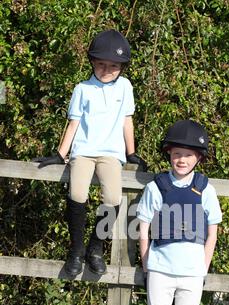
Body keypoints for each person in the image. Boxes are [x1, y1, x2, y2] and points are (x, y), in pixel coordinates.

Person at [33, 29, 145, 276]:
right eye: (101, 64)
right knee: (77, 194)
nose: (107, 70)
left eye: (114, 66)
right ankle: (76, 250)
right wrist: (61, 153)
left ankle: (95, 247)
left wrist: (132, 152)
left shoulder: (125, 87)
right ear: (93, 63)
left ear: (122, 67)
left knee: (113, 199)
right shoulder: (82, 88)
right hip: (83, 151)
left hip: (111, 152)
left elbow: (128, 121)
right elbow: (73, 124)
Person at [136, 120, 222, 305]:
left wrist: (203, 266)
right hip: (161, 269)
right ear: (169, 154)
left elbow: (212, 231)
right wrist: (148, 263)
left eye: (188, 154)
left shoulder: (205, 189)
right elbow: (143, 227)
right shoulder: (155, 187)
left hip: (191, 272)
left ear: (199, 157)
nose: (181, 159)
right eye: (176, 154)